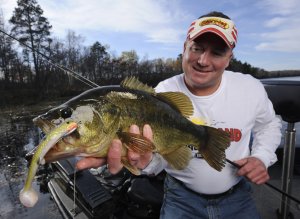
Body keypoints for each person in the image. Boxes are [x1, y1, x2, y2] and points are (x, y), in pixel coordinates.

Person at [76, 11, 282, 219]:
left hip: (238, 196)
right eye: (197, 49)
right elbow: (158, 158)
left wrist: (261, 157)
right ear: (185, 48)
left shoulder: (249, 88)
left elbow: (269, 125)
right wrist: (144, 162)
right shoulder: (162, 93)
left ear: (229, 58)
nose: (203, 60)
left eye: (217, 53)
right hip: (180, 198)